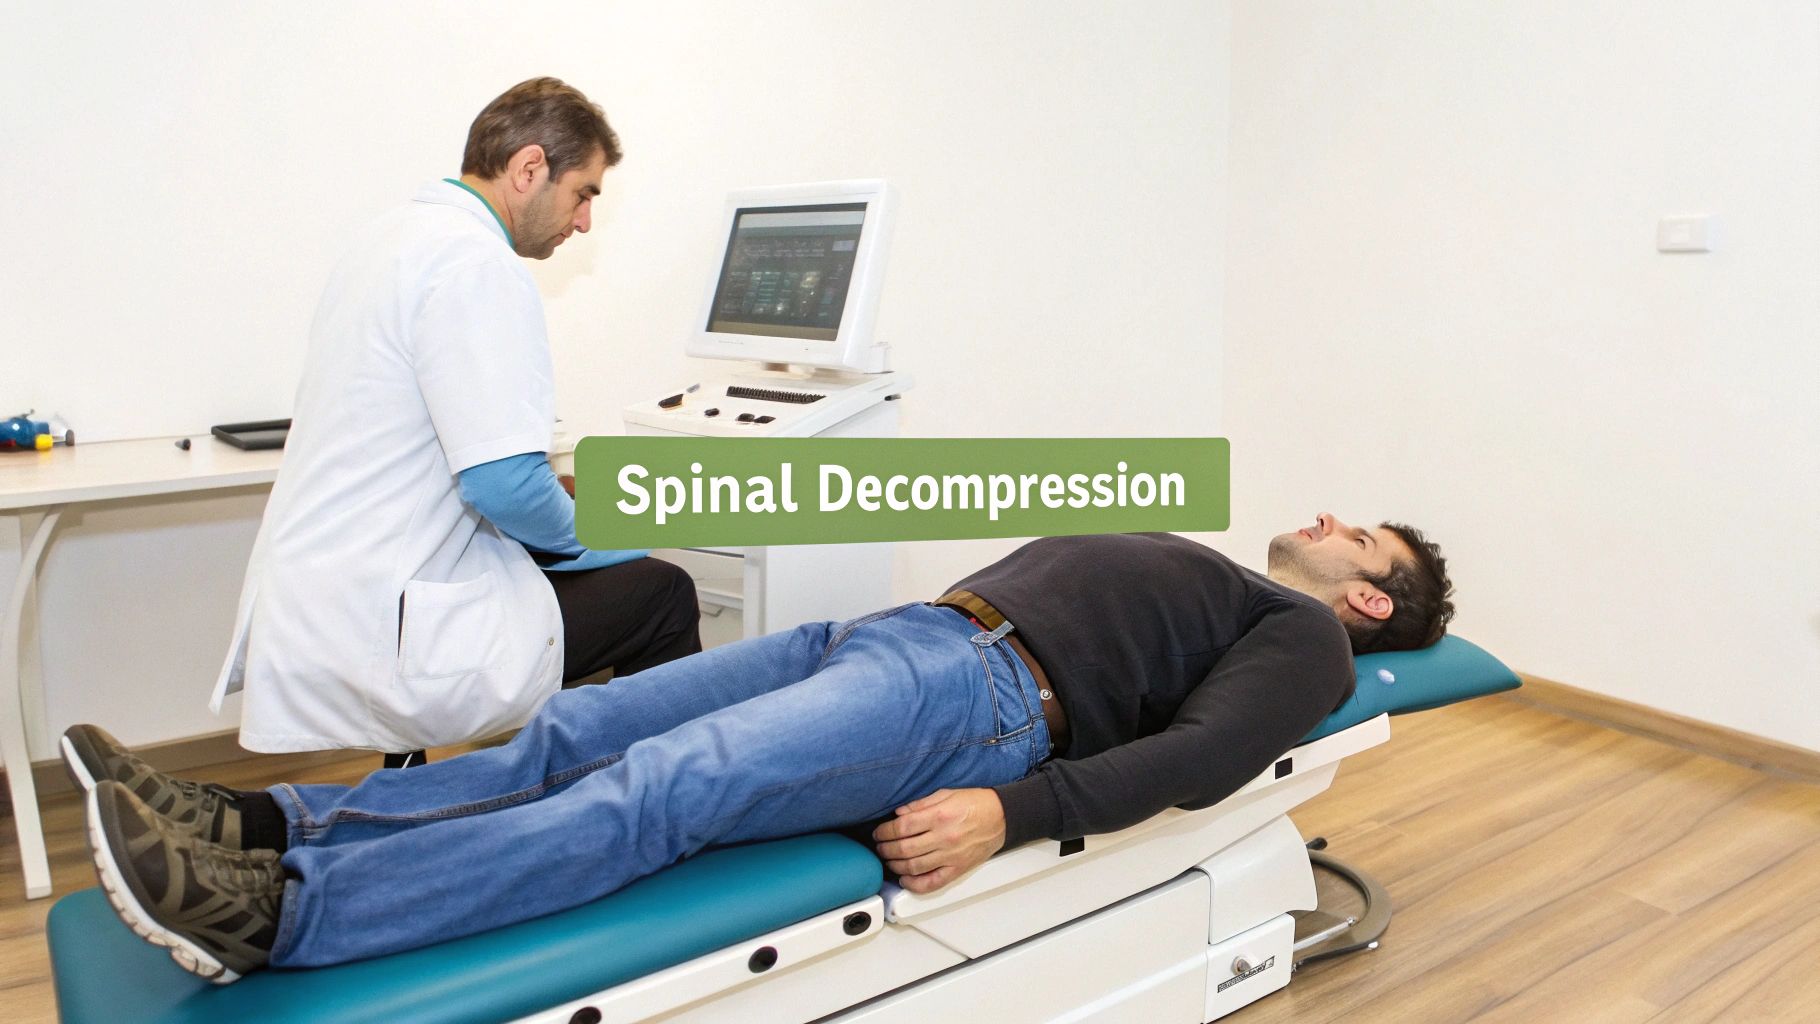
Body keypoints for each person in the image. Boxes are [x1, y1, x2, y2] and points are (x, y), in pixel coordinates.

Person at [74, 517, 1453, 984]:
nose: (1328, 521)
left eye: (1362, 535)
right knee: (578, 722)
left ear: (1370, 598)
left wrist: (1009, 814)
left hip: (979, 705)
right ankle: (273, 827)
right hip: (895, 640)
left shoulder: (1309, 641)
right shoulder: (1234, 579)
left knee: (655, 792)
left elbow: (1199, 763)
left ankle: (284, 921)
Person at [210, 78, 700, 758]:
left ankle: (486, 808)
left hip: (332, 600)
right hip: (392, 626)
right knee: (660, 594)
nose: (585, 220)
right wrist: (606, 538)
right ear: (529, 168)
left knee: (553, 573)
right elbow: (504, 486)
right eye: (583, 192)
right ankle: (651, 818)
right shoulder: (478, 264)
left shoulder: (390, 238)